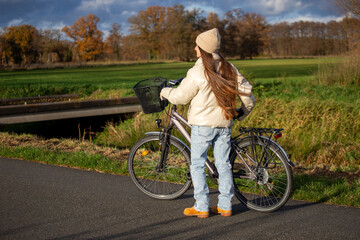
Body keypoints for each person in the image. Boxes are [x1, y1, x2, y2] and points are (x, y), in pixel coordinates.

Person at [160, 28, 255, 218]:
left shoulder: (197, 71)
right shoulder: (230, 68)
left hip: (202, 127)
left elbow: (180, 97)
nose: (195, 48)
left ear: (203, 49)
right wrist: (240, 114)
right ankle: (225, 206)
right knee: (224, 165)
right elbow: (249, 97)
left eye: (197, 45)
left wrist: (164, 92)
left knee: (196, 164)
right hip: (224, 125)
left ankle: (202, 207)